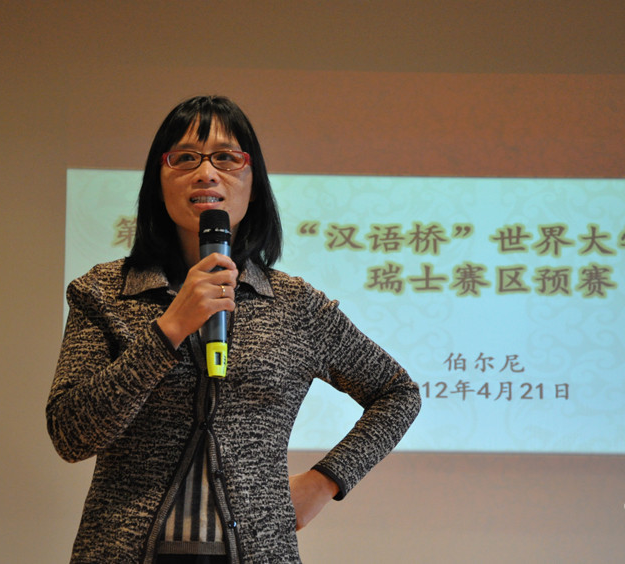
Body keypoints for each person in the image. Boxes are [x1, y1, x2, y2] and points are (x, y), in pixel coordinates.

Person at [47, 95, 421, 563]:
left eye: (227, 158)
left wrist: (327, 481)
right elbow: (70, 435)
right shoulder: (103, 292)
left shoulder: (294, 304)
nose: (206, 173)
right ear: (157, 181)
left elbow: (398, 391)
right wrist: (168, 331)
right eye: (185, 158)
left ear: (253, 181)